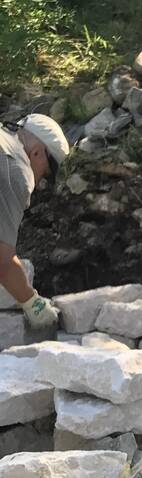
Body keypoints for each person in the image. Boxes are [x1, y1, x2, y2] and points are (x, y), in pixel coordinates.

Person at [1, 113, 69, 337]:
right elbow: (2, 261)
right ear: (37, 152)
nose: (39, 183)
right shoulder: (16, 170)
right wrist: (34, 305)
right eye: (45, 174)